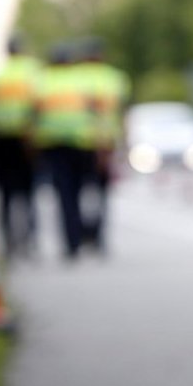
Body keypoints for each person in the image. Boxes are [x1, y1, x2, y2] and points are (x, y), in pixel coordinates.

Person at [33, 42, 96, 259]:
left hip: (54, 146)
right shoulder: (82, 80)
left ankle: (71, 242)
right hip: (81, 145)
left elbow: (34, 114)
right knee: (79, 193)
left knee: (64, 196)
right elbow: (94, 111)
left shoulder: (42, 81)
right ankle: (79, 238)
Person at [73, 37, 130, 253]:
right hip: (106, 143)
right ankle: (98, 236)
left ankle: (80, 235)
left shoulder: (74, 78)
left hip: (80, 143)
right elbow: (123, 112)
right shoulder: (114, 78)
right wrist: (124, 141)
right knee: (101, 193)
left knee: (77, 192)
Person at [0, 35, 40, 256]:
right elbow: (38, 105)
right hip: (26, 139)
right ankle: (29, 239)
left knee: (6, 192)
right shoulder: (32, 72)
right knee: (28, 192)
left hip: (1, 139)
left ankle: (8, 239)